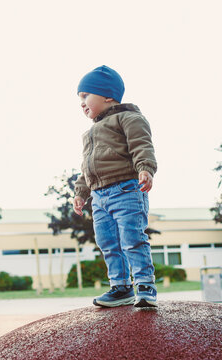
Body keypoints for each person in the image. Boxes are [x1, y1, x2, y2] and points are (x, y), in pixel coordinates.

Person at [73, 65, 158, 308]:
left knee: (132, 238)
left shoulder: (129, 118)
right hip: (99, 197)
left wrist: (145, 168)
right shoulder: (90, 133)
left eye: (85, 96)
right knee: (108, 243)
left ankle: (144, 285)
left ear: (107, 96)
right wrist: (81, 192)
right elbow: (86, 167)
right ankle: (120, 287)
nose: (81, 103)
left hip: (126, 190)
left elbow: (142, 145)